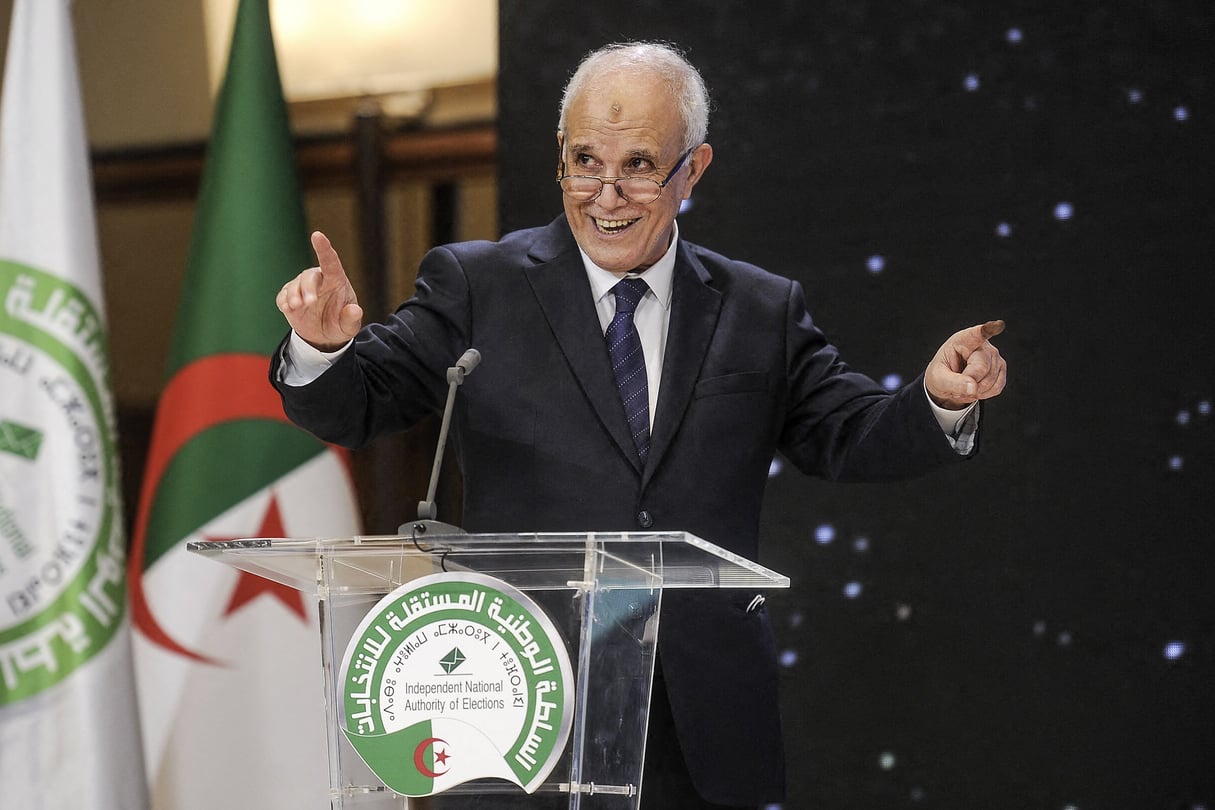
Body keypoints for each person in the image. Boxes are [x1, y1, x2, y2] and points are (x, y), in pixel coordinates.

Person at [272, 41, 1006, 810]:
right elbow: (362, 402)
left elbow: (848, 432)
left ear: (694, 168)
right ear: (559, 153)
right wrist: (323, 348)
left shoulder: (758, 309)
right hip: (512, 704)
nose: (607, 193)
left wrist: (936, 399)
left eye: (641, 165)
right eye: (585, 160)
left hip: (699, 722)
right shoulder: (476, 285)